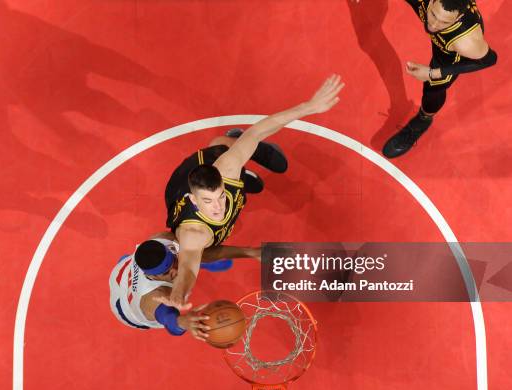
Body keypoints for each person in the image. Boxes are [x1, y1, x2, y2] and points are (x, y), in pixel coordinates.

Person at [159, 75, 345, 310]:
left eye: (220, 196)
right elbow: (187, 267)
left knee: (225, 147)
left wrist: (310, 106)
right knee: (203, 251)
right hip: (178, 187)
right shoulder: (193, 234)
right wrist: (178, 293)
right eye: (208, 201)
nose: (217, 207)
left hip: (213, 161)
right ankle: (237, 172)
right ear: (194, 201)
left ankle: (229, 139)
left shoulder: (225, 169)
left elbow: (257, 131)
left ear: (223, 184)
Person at [354, 0, 497, 158]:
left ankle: (424, 119)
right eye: (433, 15)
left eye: (444, 21)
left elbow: (488, 60)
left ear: (458, 18)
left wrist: (432, 73)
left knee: (433, 87)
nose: (434, 25)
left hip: (448, 52)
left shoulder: (465, 42)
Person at [109, 232, 260, 341]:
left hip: (124, 267)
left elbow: (195, 251)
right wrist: (185, 322)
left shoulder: (162, 240)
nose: (174, 270)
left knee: (199, 252)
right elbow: (169, 320)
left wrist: (252, 252)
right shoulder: (153, 297)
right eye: (167, 272)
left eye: (173, 262)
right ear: (154, 277)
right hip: (124, 307)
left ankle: (129, 263)